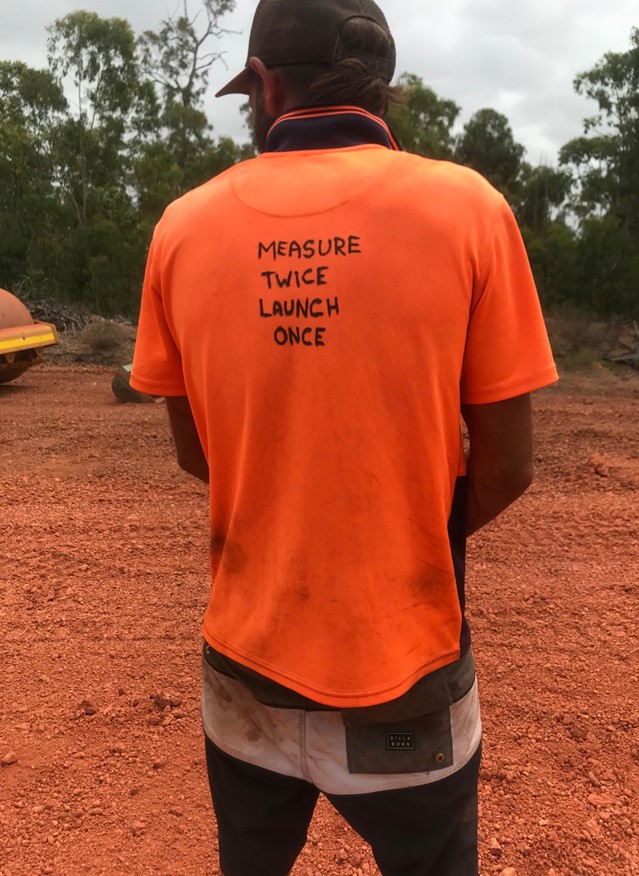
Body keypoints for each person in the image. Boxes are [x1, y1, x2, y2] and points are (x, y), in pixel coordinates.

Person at [130, 1, 558, 873]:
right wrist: (400, 541)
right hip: (406, 670)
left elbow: (193, 452)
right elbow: (508, 466)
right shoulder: (470, 210)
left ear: (264, 83)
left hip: (245, 667)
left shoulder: (181, 227)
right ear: (380, 86)